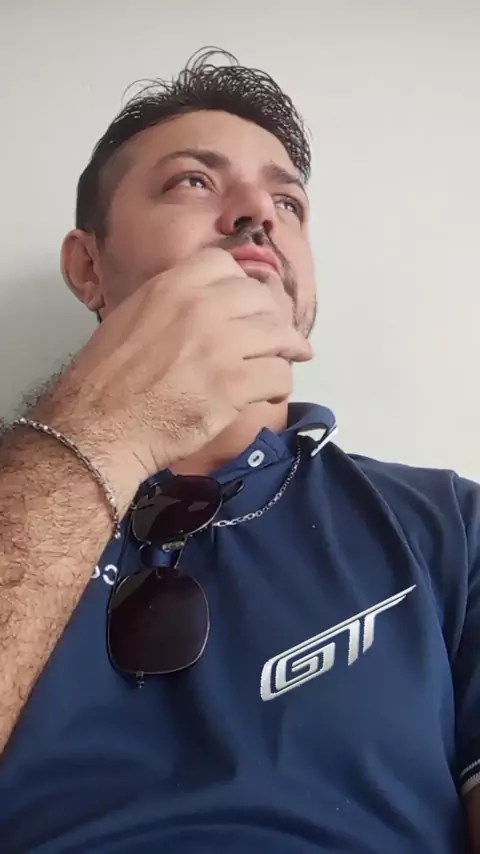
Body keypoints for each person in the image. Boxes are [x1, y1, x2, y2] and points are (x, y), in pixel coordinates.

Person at [0, 49, 478, 854]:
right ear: (87, 267)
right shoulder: (12, 502)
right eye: (193, 181)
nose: (259, 214)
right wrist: (101, 431)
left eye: (288, 201)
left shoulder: (453, 527)